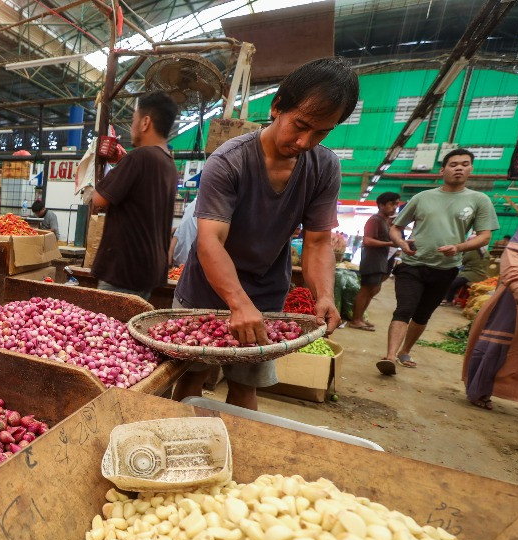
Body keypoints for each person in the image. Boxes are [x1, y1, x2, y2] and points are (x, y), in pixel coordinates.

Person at [171, 57, 358, 410]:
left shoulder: (325, 167)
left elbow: (318, 242)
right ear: (276, 107)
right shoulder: (229, 161)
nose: (305, 141)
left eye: (321, 132)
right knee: (192, 378)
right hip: (203, 294)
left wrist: (324, 295)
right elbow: (210, 240)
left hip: (265, 297)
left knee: (245, 387)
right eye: (300, 125)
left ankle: (240, 443)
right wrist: (238, 303)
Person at [377, 149, 499, 375]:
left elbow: (484, 237)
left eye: (464, 164)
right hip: (412, 263)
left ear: (471, 169)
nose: (459, 168)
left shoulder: (479, 200)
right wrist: (401, 243)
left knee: (423, 314)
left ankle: (405, 351)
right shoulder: (422, 198)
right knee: (404, 309)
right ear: (442, 170)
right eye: (453, 164)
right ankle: (390, 356)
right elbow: (396, 228)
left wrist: (458, 247)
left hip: (445, 268)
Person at [89, 91, 180, 300]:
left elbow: (98, 198)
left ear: (145, 122)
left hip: (123, 272)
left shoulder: (139, 157)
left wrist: (120, 164)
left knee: (110, 321)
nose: (132, 126)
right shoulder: (169, 164)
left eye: (133, 120)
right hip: (148, 272)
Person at [463, 226, 518, 410]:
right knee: (499, 340)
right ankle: (480, 390)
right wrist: (517, 284)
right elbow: (512, 255)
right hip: (517, 294)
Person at [349, 192, 400, 330]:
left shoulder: (385, 221)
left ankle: (360, 318)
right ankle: (355, 320)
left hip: (380, 260)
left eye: (396, 204)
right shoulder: (375, 220)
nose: (395, 207)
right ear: (381, 205)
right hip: (372, 261)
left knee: (373, 290)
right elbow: (367, 240)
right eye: (391, 204)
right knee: (366, 290)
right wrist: (390, 244)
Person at [169, 194, 197, 268]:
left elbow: (179, 231)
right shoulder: (204, 206)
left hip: (179, 259)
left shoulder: (192, 204)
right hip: (190, 264)